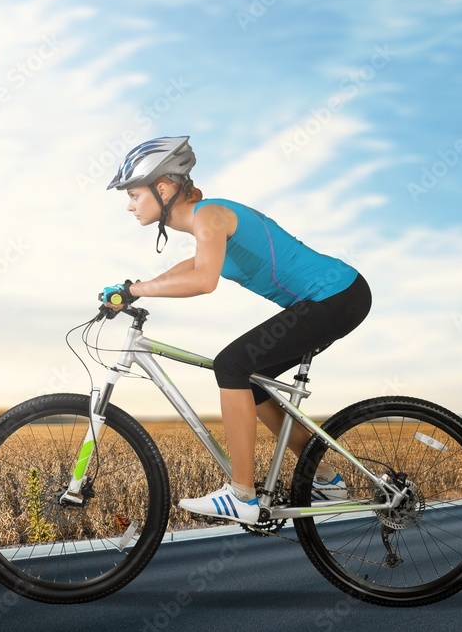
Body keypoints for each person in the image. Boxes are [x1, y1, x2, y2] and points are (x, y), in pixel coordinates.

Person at [102, 136, 371, 525]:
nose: (129, 205)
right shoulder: (205, 223)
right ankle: (326, 479)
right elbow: (189, 268)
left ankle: (242, 496)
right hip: (335, 297)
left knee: (231, 365)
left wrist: (137, 291)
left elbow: (204, 280)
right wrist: (131, 290)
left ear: (162, 188)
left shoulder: (209, 215)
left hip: (334, 296)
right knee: (254, 382)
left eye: (133, 195)